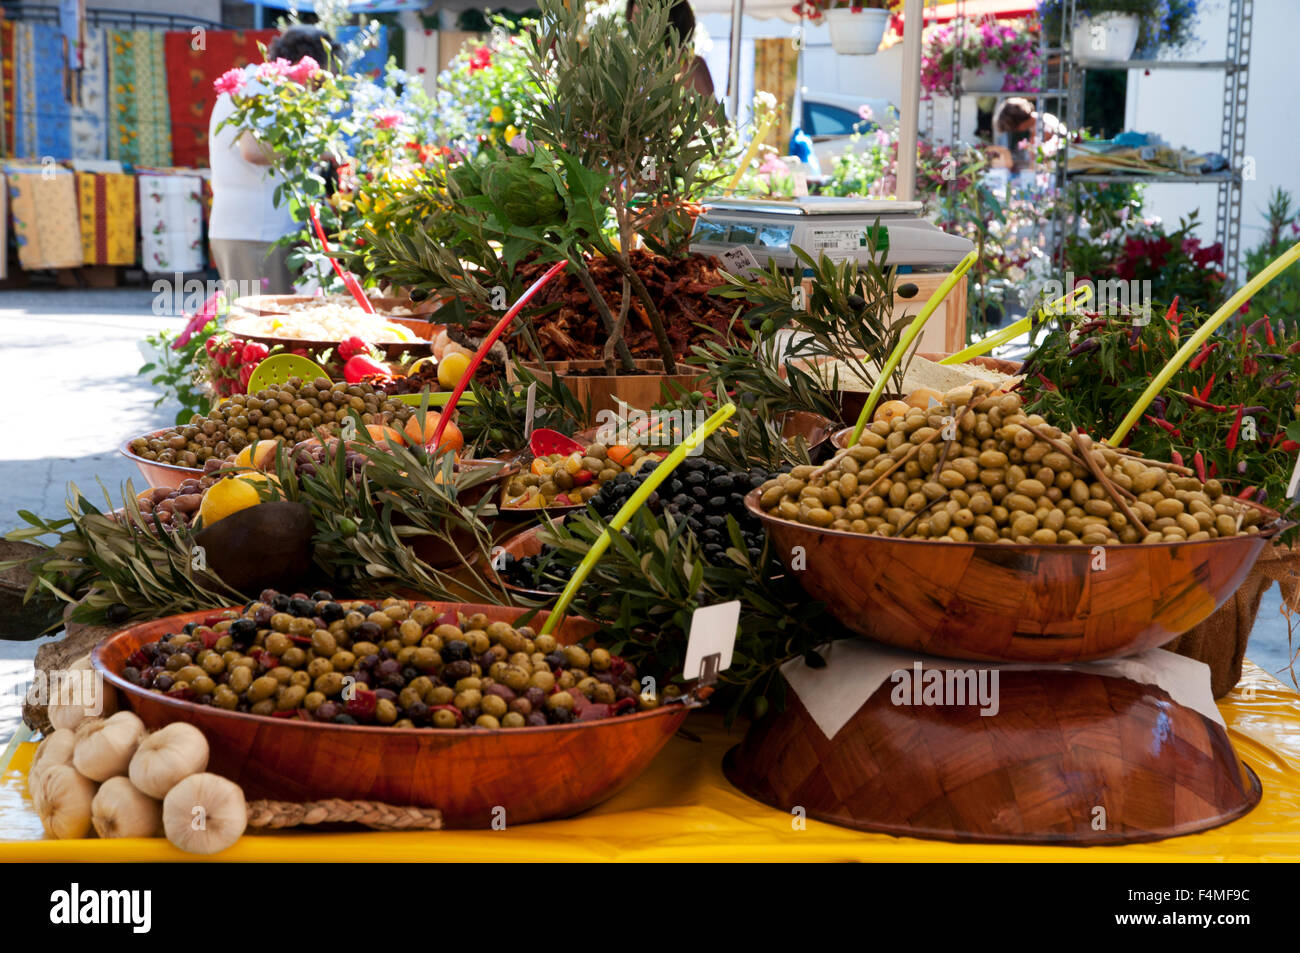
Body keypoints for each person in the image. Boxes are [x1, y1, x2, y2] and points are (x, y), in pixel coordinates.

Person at [208, 27, 334, 295]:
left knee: (259, 325)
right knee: (266, 325)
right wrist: (321, 151)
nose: (315, 92)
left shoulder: (255, 82)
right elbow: (253, 150)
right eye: (319, 81)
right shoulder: (261, 87)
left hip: (251, 228)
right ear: (307, 68)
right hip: (258, 232)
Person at [625, 0, 714, 99]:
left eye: (642, 22)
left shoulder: (685, 66)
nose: (637, 32)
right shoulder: (642, 66)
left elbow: (711, 113)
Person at [992, 97, 1064, 174]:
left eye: (1014, 128)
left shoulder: (1042, 129)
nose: (1018, 131)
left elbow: (1040, 164)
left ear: (1018, 122)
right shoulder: (1042, 120)